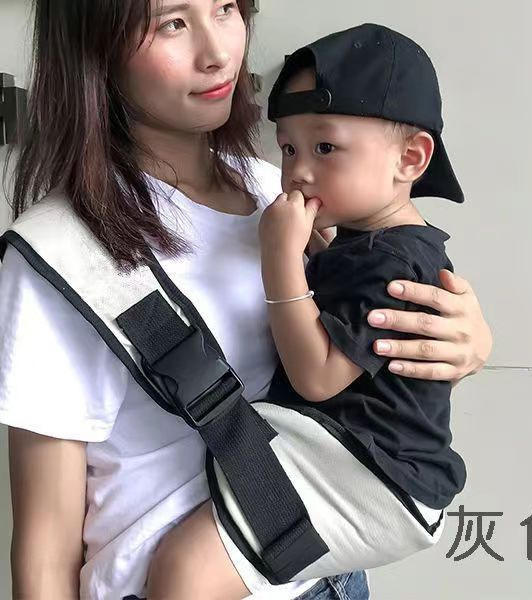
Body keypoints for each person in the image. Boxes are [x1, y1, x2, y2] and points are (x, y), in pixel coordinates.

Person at [0, 2, 492, 599]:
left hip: (323, 577)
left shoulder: (274, 189)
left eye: (225, 8)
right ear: (95, 46)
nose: (218, 53)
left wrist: (462, 345)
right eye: (172, 23)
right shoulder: (61, 252)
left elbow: (360, 349)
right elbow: (46, 543)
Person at [145, 23, 469, 600]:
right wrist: (314, 256)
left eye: (325, 148)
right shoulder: (370, 246)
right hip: (366, 462)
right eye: (289, 148)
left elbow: (317, 377)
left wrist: (280, 260)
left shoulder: (391, 262)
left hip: (376, 473)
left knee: (183, 574)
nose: (297, 170)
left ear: (411, 158)